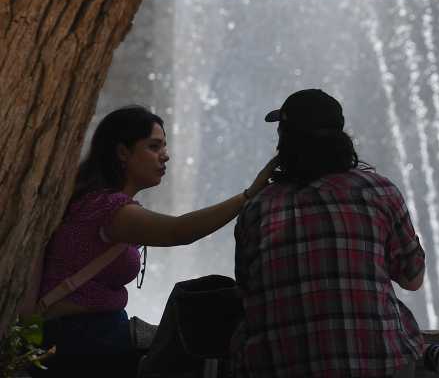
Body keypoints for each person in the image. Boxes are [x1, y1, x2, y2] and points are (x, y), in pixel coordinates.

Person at [232, 89, 439, 378]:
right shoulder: (379, 191)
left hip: (282, 367)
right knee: (393, 320)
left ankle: (434, 356)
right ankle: (435, 355)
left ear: (284, 143)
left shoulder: (258, 208)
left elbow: (247, 289)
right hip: (381, 365)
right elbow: (413, 279)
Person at [31, 105, 275, 377]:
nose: (165, 156)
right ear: (123, 152)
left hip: (89, 339)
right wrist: (247, 196)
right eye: (154, 146)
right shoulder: (108, 209)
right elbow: (178, 231)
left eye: (164, 146)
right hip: (83, 345)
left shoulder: (96, 201)